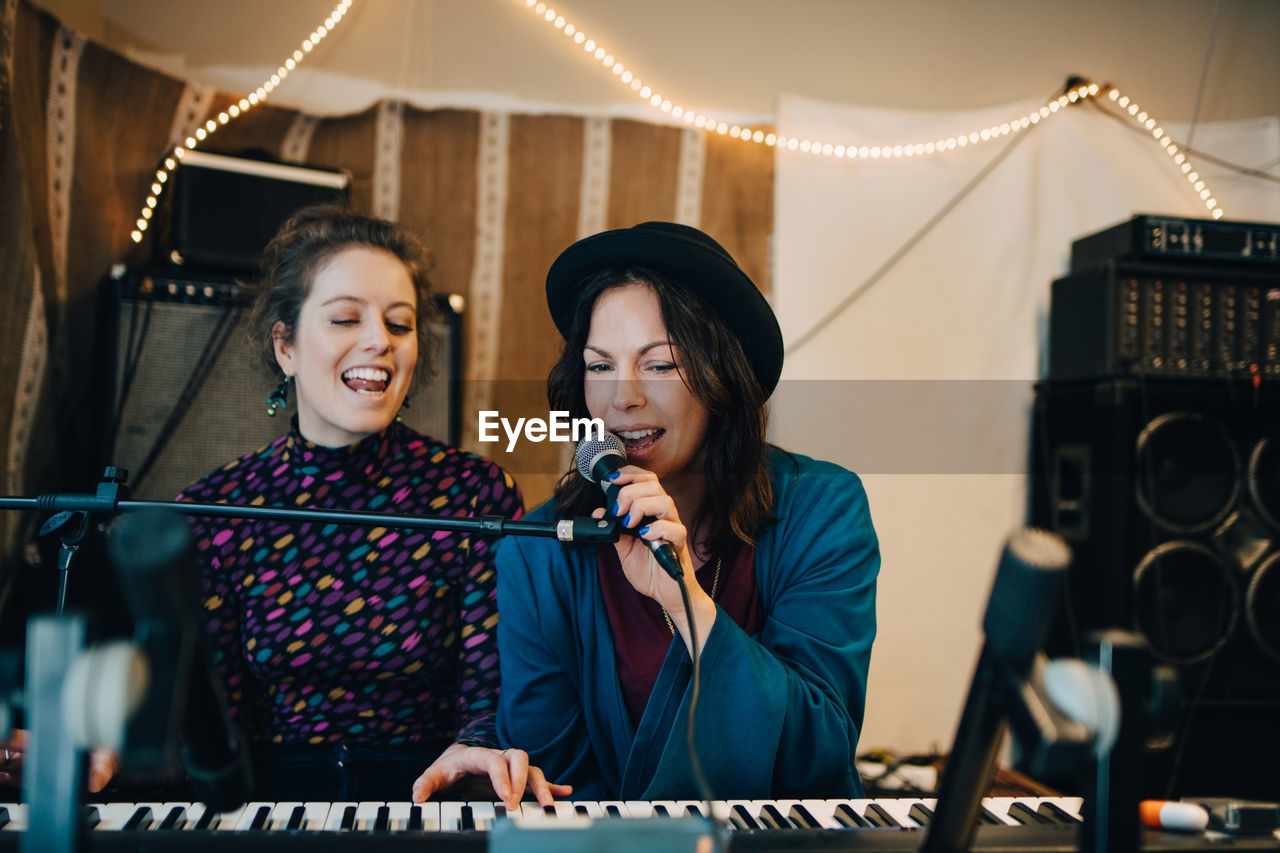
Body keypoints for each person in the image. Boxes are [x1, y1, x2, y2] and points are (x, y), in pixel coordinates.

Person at [174, 205, 567, 807]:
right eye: (344, 318)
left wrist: (480, 746)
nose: (380, 341)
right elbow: (209, 724)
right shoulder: (217, 510)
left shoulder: (474, 493)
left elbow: (490, 694)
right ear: (285, 346)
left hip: (427, 797)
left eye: (400, 324)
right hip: (269, 807)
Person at [496, 221, 880, 801]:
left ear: (723, 377)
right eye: (600, 366)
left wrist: (686, 601)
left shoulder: (821, 508)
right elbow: (557, 777)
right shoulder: (537, 547)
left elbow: (819, 754)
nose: (623, 397)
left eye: (660, 364)